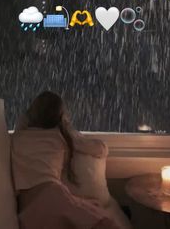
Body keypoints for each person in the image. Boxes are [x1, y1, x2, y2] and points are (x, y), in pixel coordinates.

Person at [11, 91, 121, 229]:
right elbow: (100, 149)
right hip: (52, 195)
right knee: (101, 222)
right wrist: (67, 127)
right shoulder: (59, 135)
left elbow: (21, 123)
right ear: (61, 117)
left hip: (27, 206)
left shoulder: (18, 138)